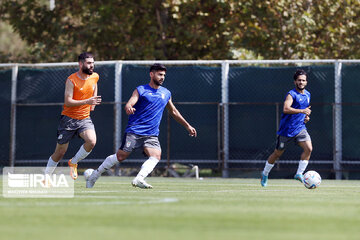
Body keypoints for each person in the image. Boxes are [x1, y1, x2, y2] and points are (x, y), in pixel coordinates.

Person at [86, 63, 197, 189]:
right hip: (134, 131)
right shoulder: (141, 90)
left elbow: (174, 112)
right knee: (121, 156)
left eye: (164, 75)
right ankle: (94, 175)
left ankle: (139, 178)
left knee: (156, 156)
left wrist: (187, 126)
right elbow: (129, 103)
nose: (162, 77)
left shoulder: (166, 93)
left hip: (152, 134)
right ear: (151, 74)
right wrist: (129, 107)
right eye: (160, 74)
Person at [44, 52, 102, 180]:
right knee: (60, 153)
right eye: (89, 63)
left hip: (84, 118)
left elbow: (94, 85)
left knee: (91, 141)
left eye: (93, 63)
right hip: (68, 120)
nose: (92, 65)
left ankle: (73, 162)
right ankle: (46, 177)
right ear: (80, 64)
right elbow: (68, 102)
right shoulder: (71, 80)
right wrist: (87, 101)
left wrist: (93, 102)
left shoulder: (95, 76)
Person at [261, 69, 312, 187]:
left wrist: (305, 117)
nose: (301, 82)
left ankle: (299, 174)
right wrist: (302, 111)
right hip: (286, 131)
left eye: (303, 80)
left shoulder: (308, 94)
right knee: (277, 154)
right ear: (295, 82)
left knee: (309, 148)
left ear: (306, 82)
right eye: (299, 80)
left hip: (300, 128)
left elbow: (305, 111)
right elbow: (286, 109)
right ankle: (265, 173)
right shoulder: (291, 94)